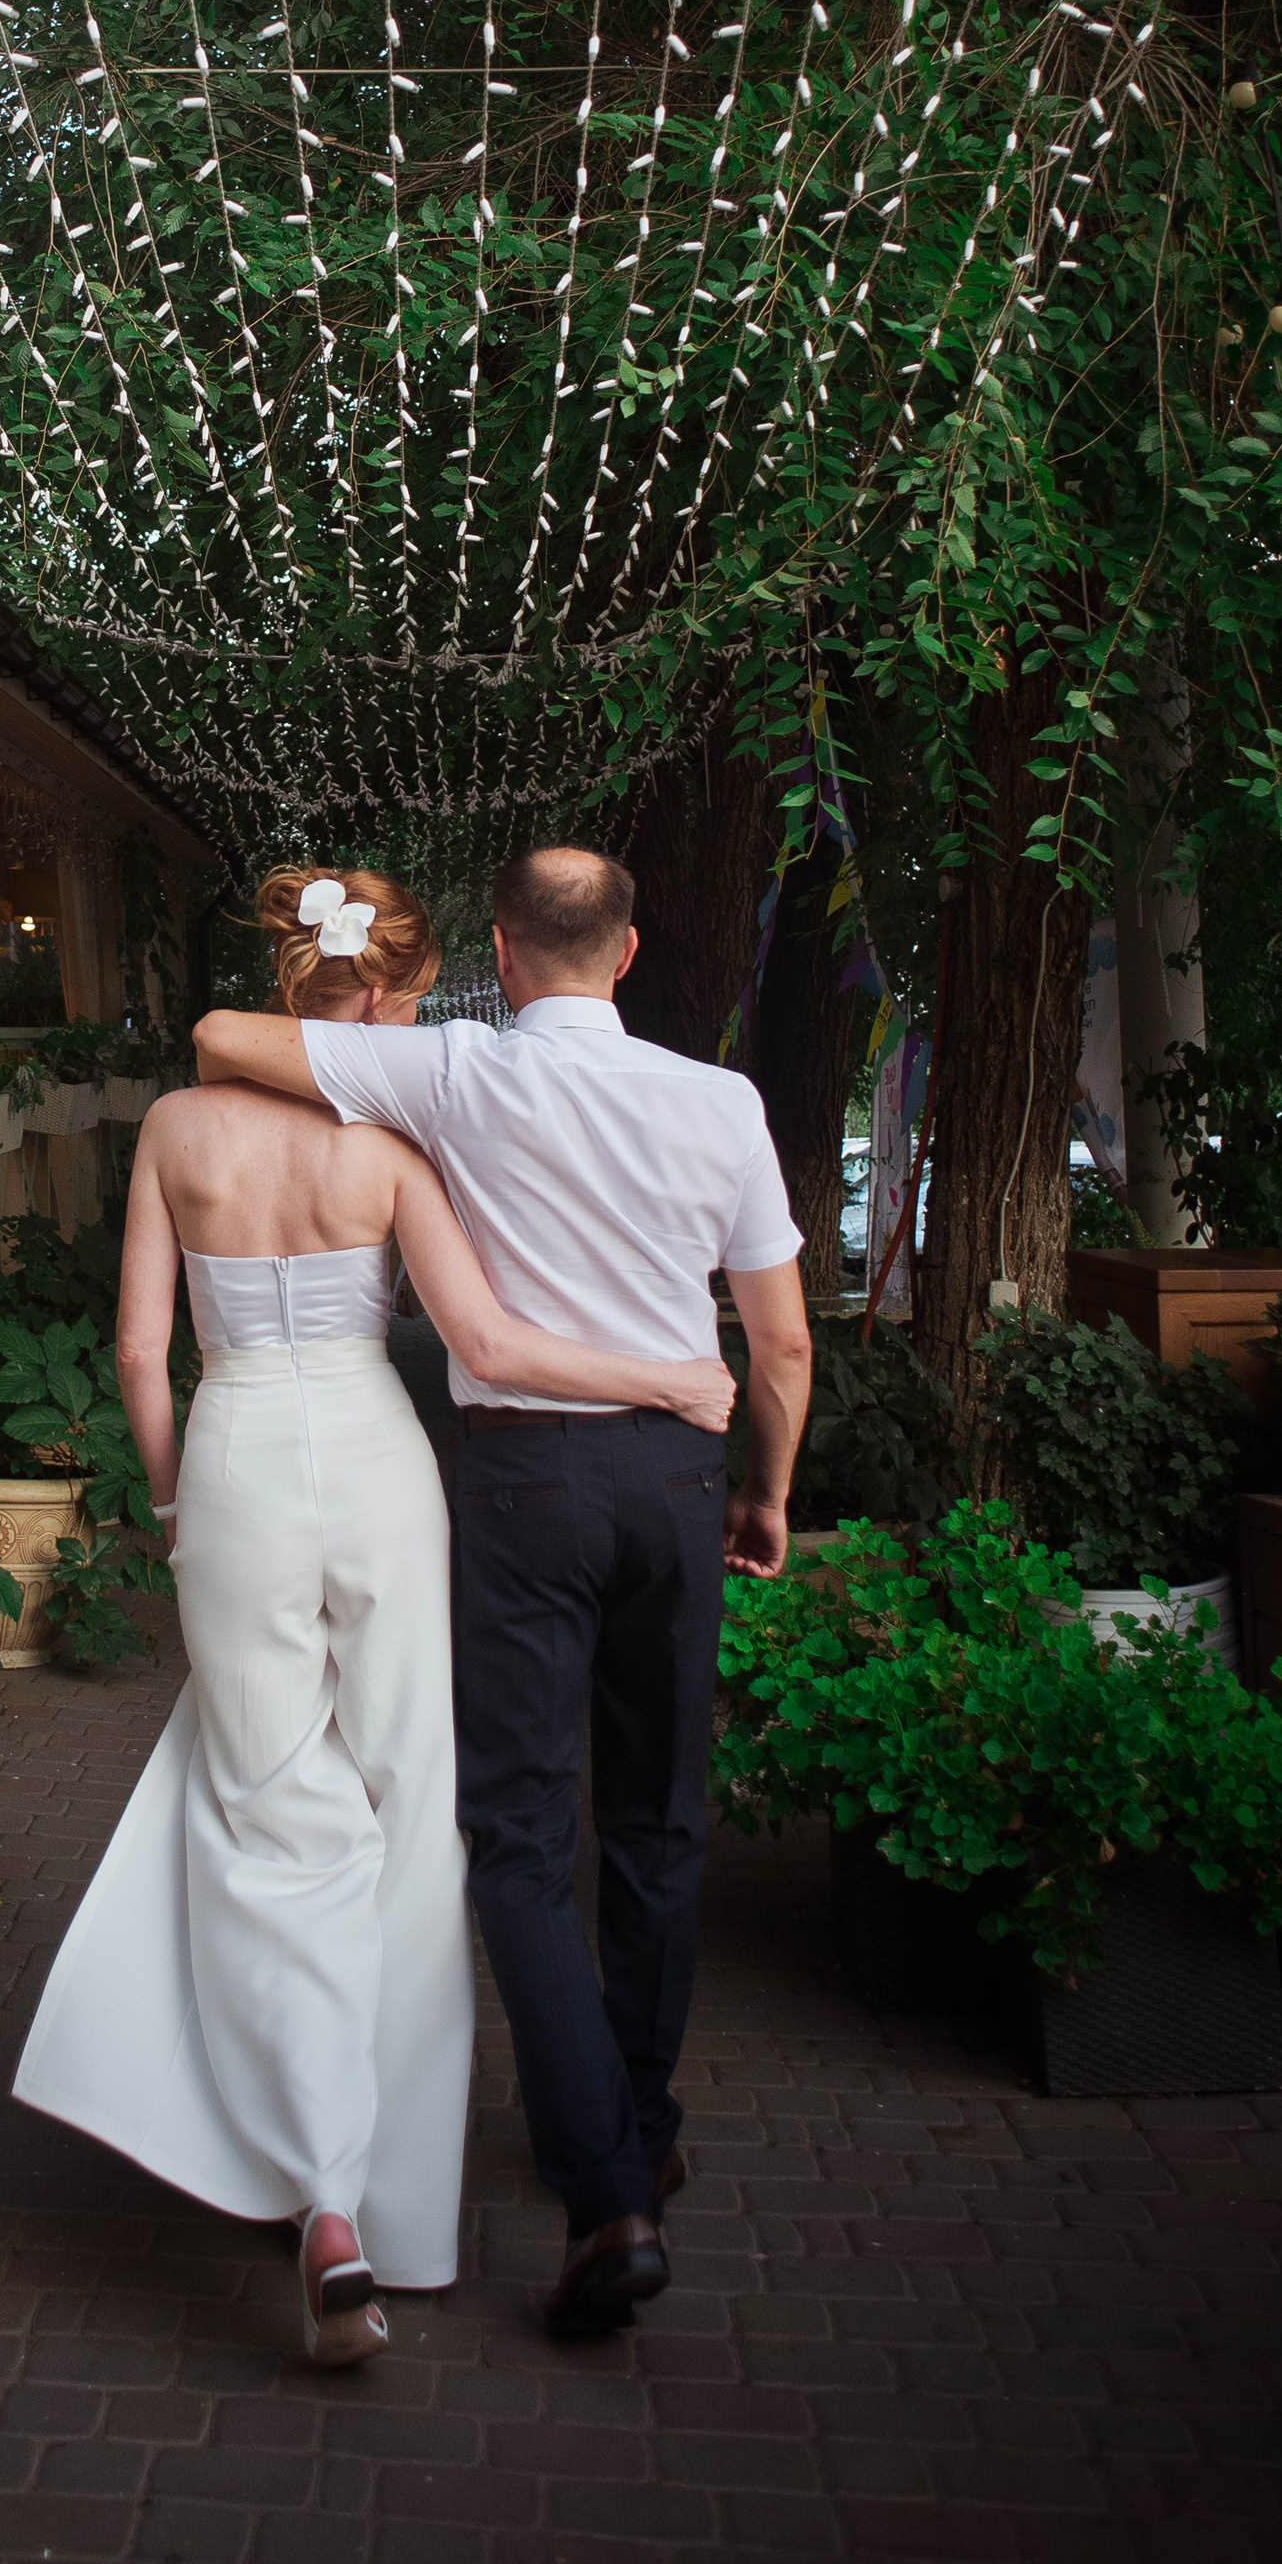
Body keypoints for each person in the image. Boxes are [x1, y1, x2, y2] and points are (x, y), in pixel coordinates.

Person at [12, 863, 736, 2368]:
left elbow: (146, 1360)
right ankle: (407, 2212)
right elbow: (487, 1341)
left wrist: (165, 1508)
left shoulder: (176, 1130)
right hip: (380, 1474)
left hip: (235, 1468)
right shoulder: (396, 1146)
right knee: (421, 1817)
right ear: (397, 1000)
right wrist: (669, 1380)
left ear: (291, 979)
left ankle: (323, 2206)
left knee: (274, 1813)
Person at [193, 843, 812, 2344]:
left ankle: (604, 2187)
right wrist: (768, 1493)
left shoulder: (458, 1073)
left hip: (527, 1485)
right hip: (676, 1475)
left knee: (523, 1832)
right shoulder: (722, 1104)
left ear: (505, 954)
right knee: (662, 1819)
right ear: (632, 947)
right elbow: (781, 1349)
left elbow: (223, 1039)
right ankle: (639, 2121)